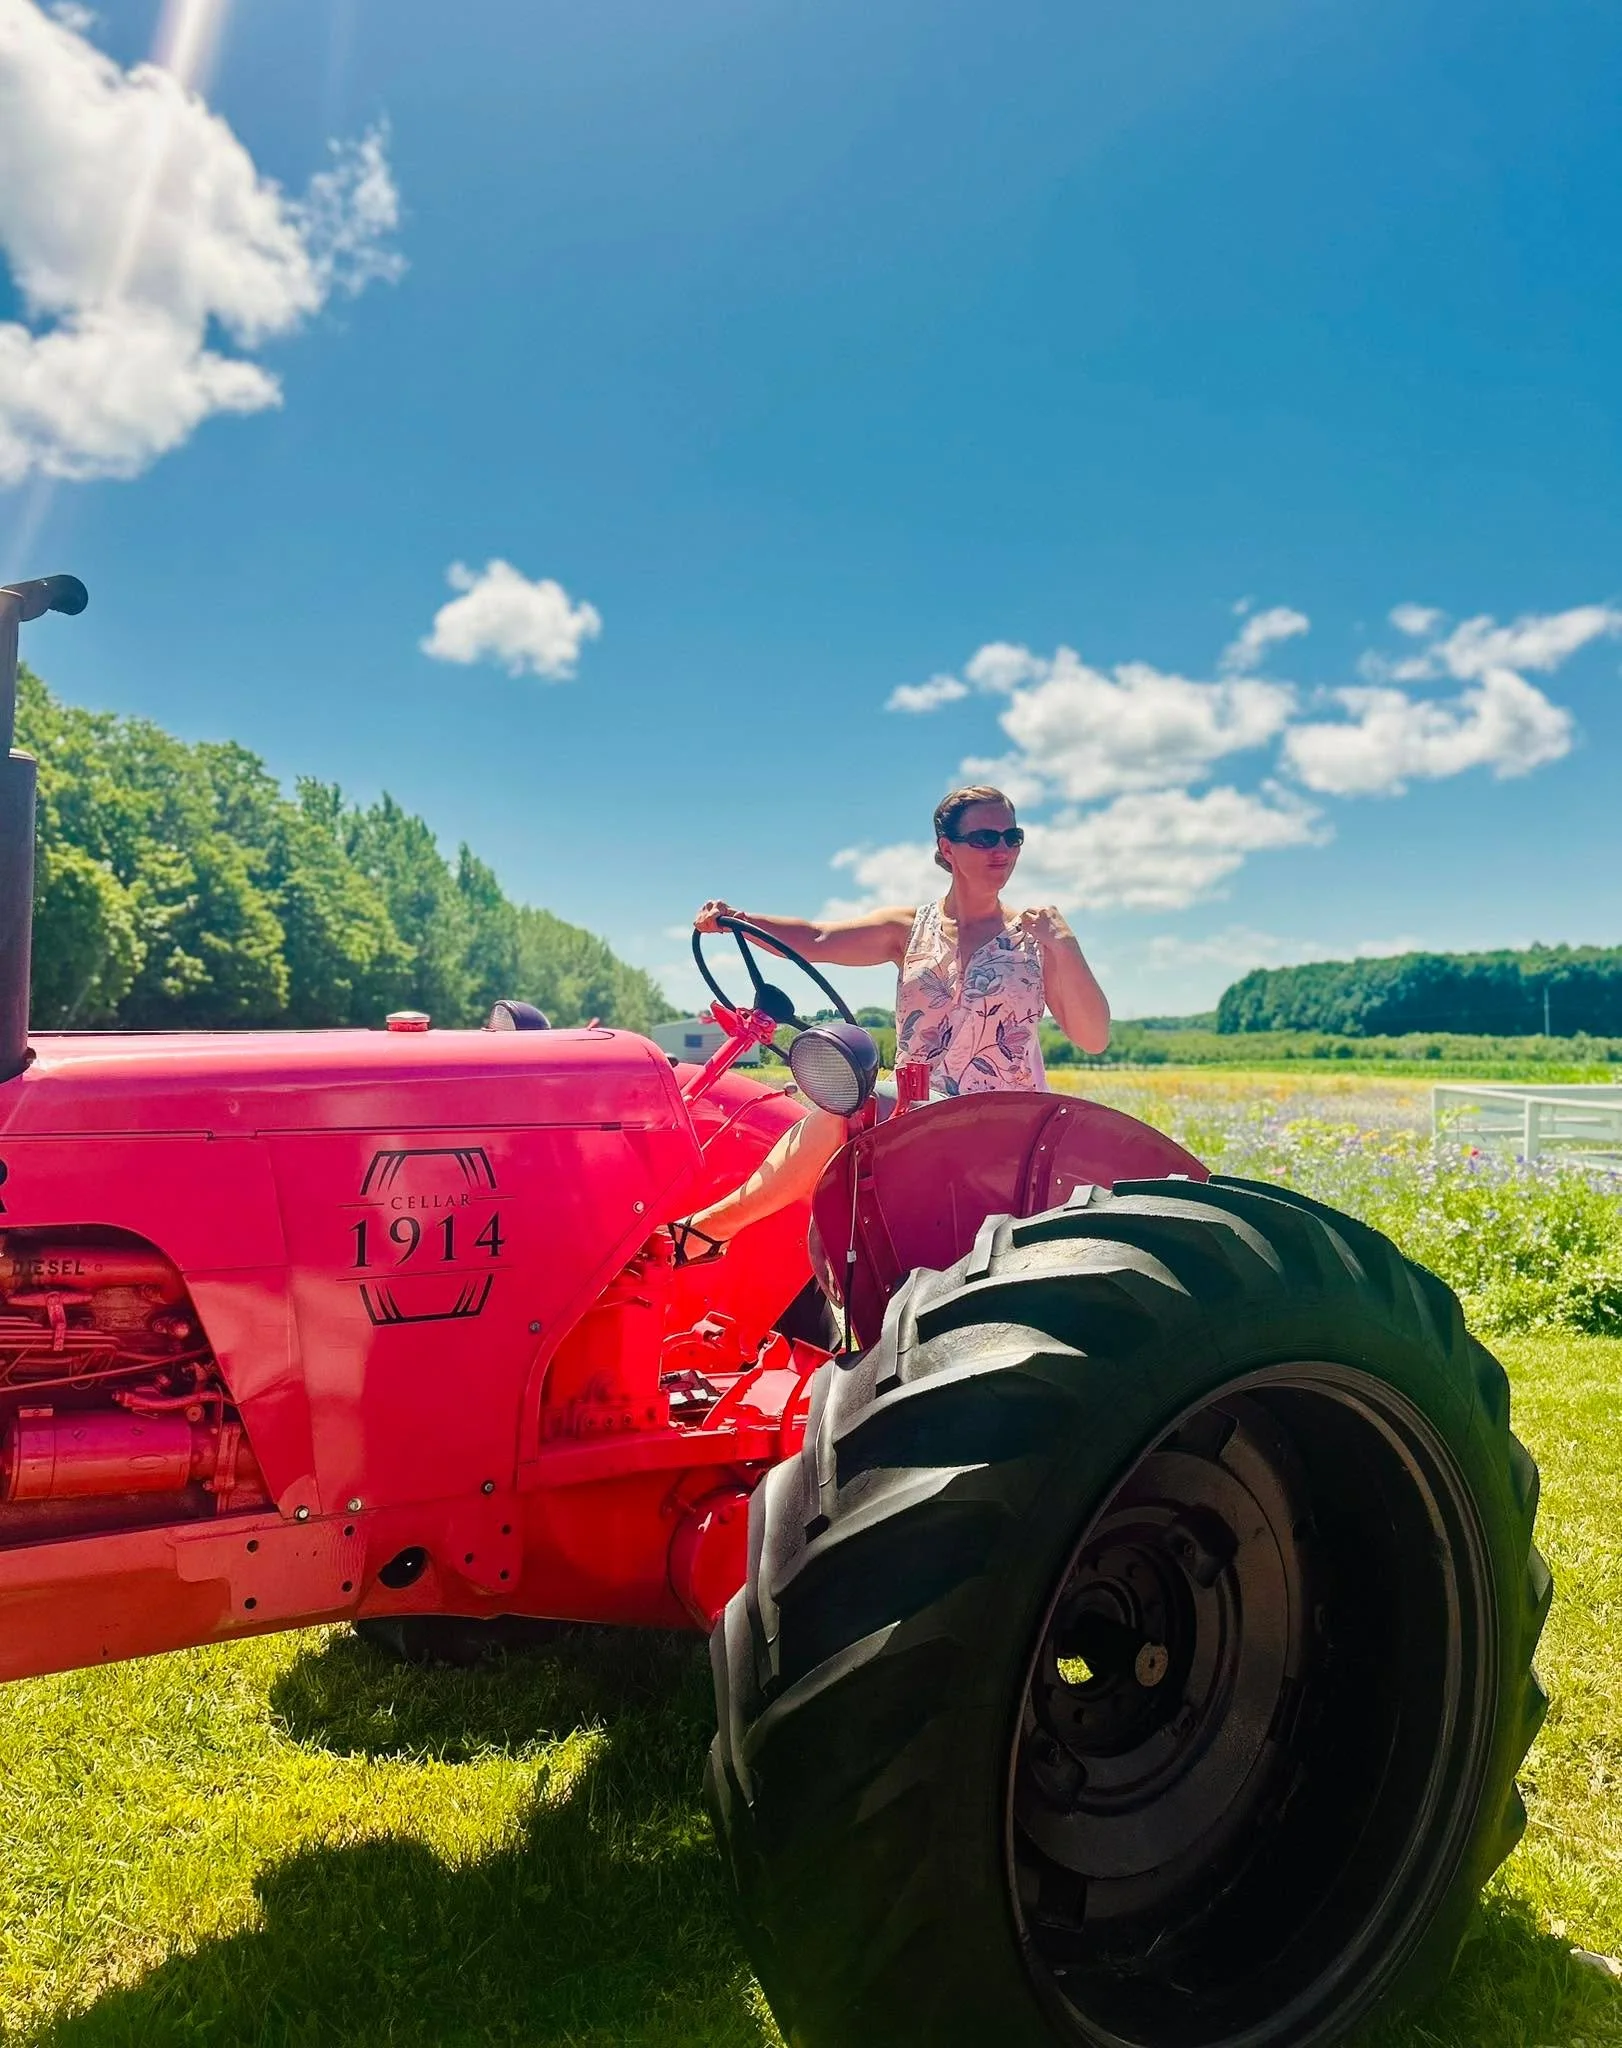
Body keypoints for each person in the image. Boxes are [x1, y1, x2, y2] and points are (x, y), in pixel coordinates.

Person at [683, 784, 1109, 1242]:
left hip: (1004, 1120)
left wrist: (1066, 946)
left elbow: (1093, 1036)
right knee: (841, 1107)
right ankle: (712, 1230)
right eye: (985, 838)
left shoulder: (1035, 939)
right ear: (948, 848)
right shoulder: (907, 930)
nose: (1002, 849)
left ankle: (705, 1232)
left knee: (849, 1109)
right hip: (915, 1110)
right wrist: (738, 920)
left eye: (1013, 837)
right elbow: (817, 939)